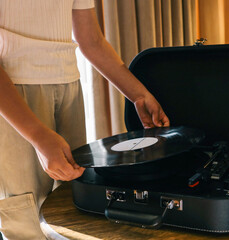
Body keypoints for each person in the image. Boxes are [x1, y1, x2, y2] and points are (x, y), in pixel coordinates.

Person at [0, 0, 170, 239]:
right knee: (26, 220)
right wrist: (37, 135)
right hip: (13, 93)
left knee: (73, 205)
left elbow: (91, 40)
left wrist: (139, 95)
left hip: (69, 87)